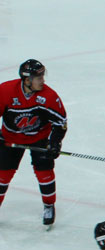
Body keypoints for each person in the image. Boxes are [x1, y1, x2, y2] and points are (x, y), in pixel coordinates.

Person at [0, 59, 67, 227]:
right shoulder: (6, 91)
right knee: (3, 174)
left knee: (44, 172)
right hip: (11, 138)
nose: (43, 80)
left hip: (39, 137)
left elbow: (61, 122)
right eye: (38, 77)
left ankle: (49, 205)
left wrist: (54, 143)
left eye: (42, 76)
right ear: (27, 80)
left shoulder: (49, 96)